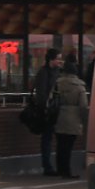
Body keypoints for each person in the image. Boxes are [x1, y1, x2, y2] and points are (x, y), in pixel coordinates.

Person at [54, 55, 88, 179]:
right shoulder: (79, 87)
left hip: (59, 116)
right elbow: (83, 105)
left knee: (60, 145)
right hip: (73, 118)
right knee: (68, 146)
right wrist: (85, 120)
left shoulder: (57, 83)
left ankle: (59, 169)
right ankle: (67, 172)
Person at [32, 48, 64, 176]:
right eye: (58, 58)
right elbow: (41, 93)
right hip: (48, 111)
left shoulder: (57, 72)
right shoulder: (44, 73)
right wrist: (45, 107)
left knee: (51, 138)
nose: (60, 61)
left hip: (55, 109)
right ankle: (47, 166)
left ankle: (51, 165)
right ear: (51, 59)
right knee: (47, 138)